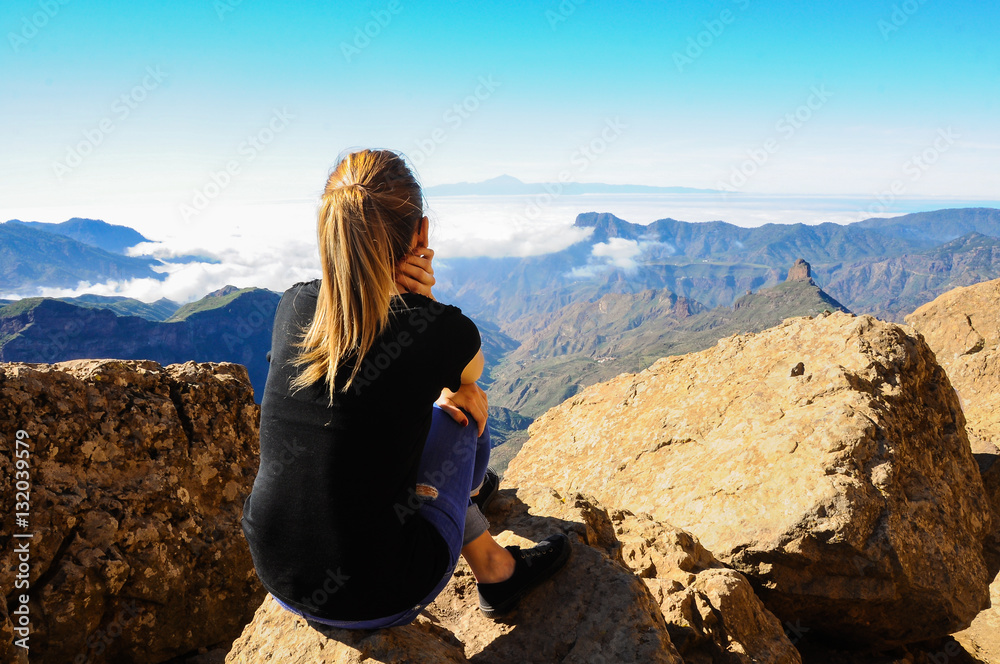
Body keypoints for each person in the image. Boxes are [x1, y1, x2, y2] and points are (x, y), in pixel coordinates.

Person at [239, 148, 570, 629]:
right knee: (464, 406)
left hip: (278, 572)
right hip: (378, 593)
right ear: (422, 234)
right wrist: (426, 307)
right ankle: (495, 566)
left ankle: (464, 501)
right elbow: (469, 378)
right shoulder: (436, 331)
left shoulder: (294, 304)